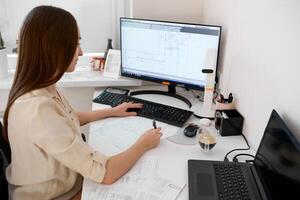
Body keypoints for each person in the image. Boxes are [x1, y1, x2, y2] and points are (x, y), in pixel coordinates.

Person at [2, 5, 162, 200]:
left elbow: (66, 119)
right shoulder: (37, 109)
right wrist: (143, 144)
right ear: (54, 48)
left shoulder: (41, 88)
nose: (80, 52)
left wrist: (111, 111)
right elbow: (106, 173)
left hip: (65, 184)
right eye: (75, 43)